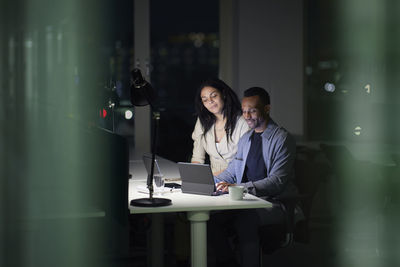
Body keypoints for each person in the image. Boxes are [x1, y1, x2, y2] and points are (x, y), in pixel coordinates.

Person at [209, 87, 298, 267]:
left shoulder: (282, 138)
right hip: (245, 200)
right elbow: (232, 172)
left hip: (274, 203)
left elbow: (277, 182)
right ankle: (228, 263)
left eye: (252, 110)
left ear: (267, 109)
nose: (247, 116)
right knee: (211, 221)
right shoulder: (246, 139)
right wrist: (211, 181)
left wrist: (239, 189)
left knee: (245, 220)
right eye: (244, 111)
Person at [191, 78, 250, 175]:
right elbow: (197, 158)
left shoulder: (243, 122)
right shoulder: (202, 121)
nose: (210, 101)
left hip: (237, 180)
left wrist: (212, 177)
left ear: (224, 94)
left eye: (214, 96)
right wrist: (195, 177)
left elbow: (244, 161)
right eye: (205, 100)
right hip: (212, 180)